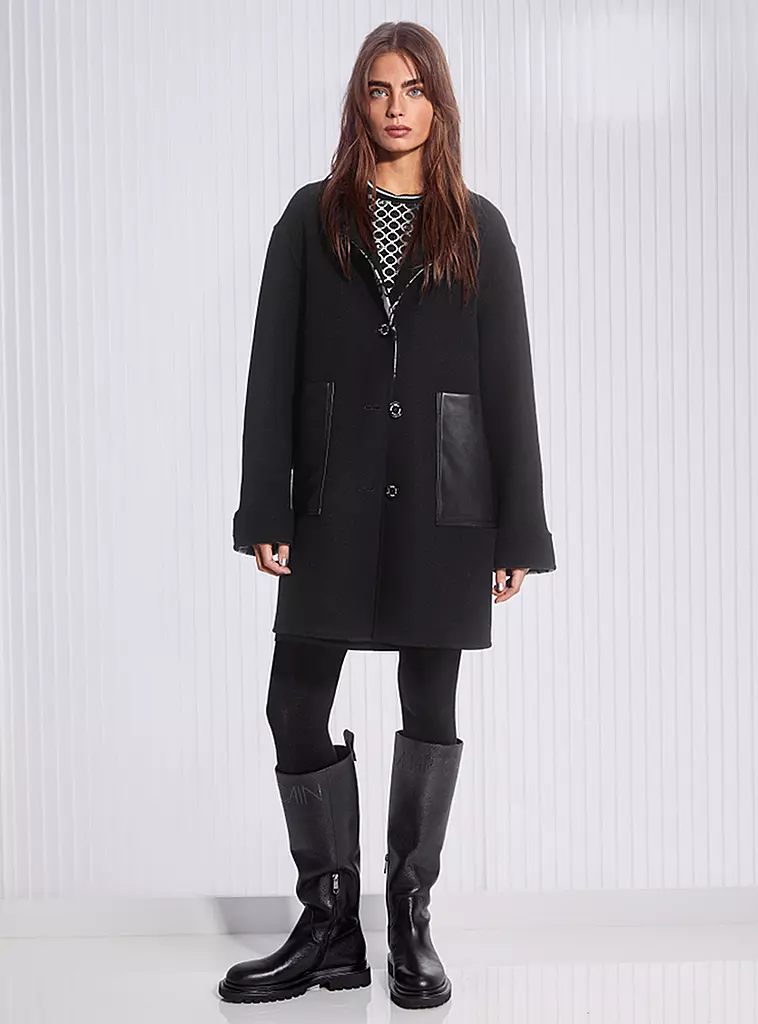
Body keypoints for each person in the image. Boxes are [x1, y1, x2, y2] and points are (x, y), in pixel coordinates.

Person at [218, 20, 556, 1011]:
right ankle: (329, 925)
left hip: (446, 504)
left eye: (414, 89)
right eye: (379, 89)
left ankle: (409, 918)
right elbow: (271, 368)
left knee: (430, 707)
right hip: (331, 496)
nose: (397, 106)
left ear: (439, 105)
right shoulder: (310, 218)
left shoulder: (478, 227)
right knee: (293, 702)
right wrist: (266, 502)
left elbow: (508, 383)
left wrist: (519, 528)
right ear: (358, 103)